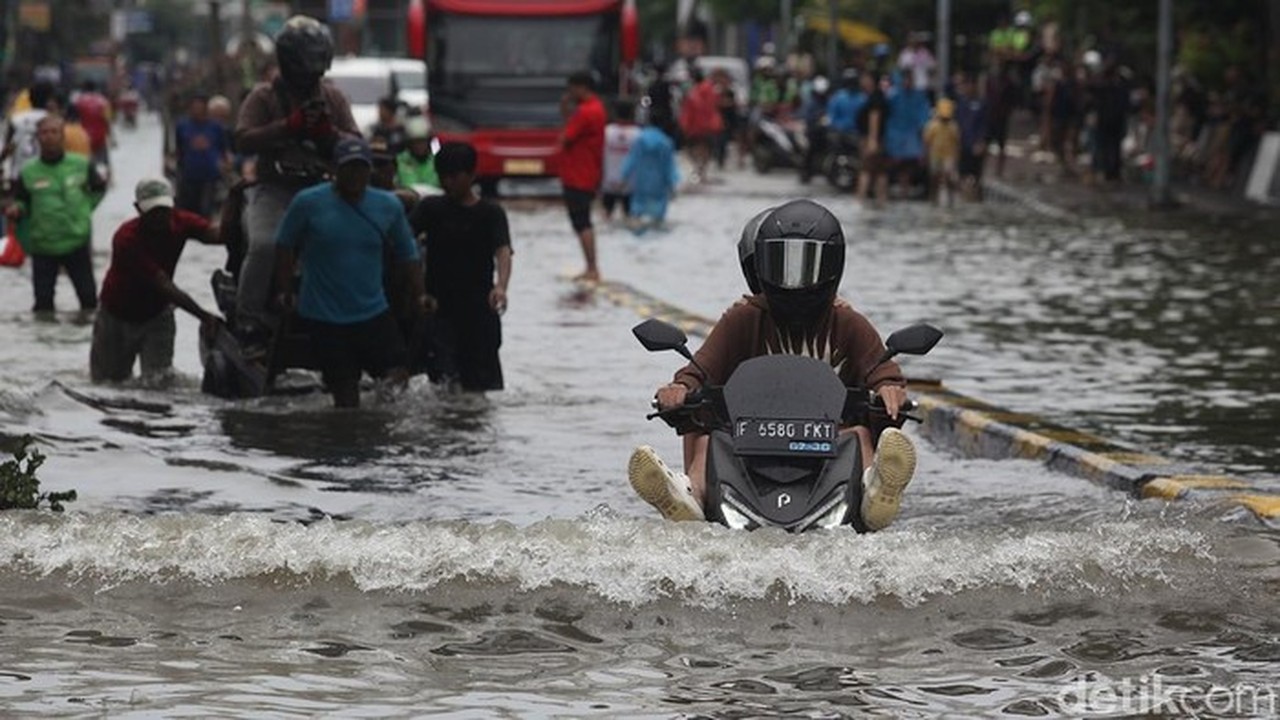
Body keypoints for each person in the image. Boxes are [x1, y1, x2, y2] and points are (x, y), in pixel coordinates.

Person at [627, 199, 916, 530]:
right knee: (707, 442)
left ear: (832, 266)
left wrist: (890, 391)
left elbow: (883, 372)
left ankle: (874, 494)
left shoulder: (849, 323)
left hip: (827, 452)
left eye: (807, 266)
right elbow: (699, 370)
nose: (794, 282)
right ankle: (687, 496)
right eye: (782, 265)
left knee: (861, 435)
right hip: (747, 450)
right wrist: (678, 389)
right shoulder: (742, 319)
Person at [273, 137, 427, 408]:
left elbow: (408, 254)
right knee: (345, 396)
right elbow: (284, 246)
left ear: (370, 172)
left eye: (361, 168)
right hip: (324, 314)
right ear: (334, 169)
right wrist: (285, 290)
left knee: (398, 374)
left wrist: (420, 295)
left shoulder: (388, 206)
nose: (355, 175)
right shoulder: (308, 203)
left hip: (373, 311)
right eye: (348, 168)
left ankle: (379, 426)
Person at [233, 16, 358, 339]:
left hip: (323, 190)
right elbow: (242, 139)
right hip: (274, 189)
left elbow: (356, 144)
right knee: (264, 245)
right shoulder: (263, 97)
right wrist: (288, 126)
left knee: (353, 243)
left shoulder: (333, 98)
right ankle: (248, 315)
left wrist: (327, 134)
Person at [92, 179, 223, 383]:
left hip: (158, 314)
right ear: (138, 209)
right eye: (153, 212)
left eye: (164, 210)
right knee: (109, 384)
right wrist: (204, 316)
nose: (160, 218)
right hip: (117, 316)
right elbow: (162, 284)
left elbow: (218, 235)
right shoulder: (126, 238)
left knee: (159, 381)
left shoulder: (181, 222)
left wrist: (235, 202)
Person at [409, 142, 512, 392]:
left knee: (477, 390)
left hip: (479, 310)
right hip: (440, 308)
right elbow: (406, 247)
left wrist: (501, 287)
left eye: (454, 177)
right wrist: (419, 291)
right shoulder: (431, 209)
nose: (448, 182)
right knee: (445, 385)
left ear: (471, 175)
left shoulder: (490, 213)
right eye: (443, 176)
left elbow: (503, 250)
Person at [4, 115, 107, 312]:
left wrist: (85, 209)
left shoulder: (81, 164)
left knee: (89, 303)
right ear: (37, 138)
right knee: (43, 308)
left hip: (76, 242)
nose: (49, 137)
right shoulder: (28, 171)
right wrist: (16, 209)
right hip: (43, 246)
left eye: (54, 132)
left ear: (62, 136)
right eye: (44, 133)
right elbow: (22, 201)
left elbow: (99, 189)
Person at [558, 71, 605, 282]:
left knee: (582, 222)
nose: (570, 93)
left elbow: (565, 138)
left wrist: (567, 112)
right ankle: (591, 266)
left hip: (579, 174)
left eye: (572, 89)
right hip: (587, 173)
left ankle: (591, 268)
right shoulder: (597, 108)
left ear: (582, 88)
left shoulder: (586, 112)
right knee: (583, 221)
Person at [172, 93, 231, 217]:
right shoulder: (182, 126)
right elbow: (179, 150)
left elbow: (223, 149)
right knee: (188, 210)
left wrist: (225, 167)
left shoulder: (216, 127)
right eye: (194, 107)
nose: (197, 110)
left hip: (210, 176)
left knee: (206, 210)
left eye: (200, 107)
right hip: (189, 175)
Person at [621, 118, 679, 228]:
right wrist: (672, 184)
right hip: (659, 183)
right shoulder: (666, 142)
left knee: (637, 210)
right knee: (658, 217)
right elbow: (669, 166)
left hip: (641, 181)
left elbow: (631, 160)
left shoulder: (639, 140)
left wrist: (624, 176)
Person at [678, 67, 724, 183]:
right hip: (709, 124)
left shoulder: (695, 92)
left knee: (693, 148)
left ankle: (699, 170)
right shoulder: (710, 89)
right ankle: (701, 171)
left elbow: (690, 109)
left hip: (697, 125)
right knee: (705, 148)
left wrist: (685, 123)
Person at [601, 98, 640, 221]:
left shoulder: (606, 132)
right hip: (631, 184)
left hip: (609, 182)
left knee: (607, 216)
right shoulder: (639, 134)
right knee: (630, 217)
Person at [855, 71, 890, 207]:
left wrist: (872, 140)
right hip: (877, 139)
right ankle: (881, 200)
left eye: (865, 78)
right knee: (879, 171)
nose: (862, 81)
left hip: (872, 139)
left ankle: (860, 199)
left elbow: (874, 118)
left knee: (866, 170)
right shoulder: (875, 96)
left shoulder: (875, 98)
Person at [952, 74, 988, 198]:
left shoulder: (981, 104)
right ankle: (964, 197)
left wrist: (981, 141)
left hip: (975, 144)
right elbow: (957, 124)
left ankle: (975, 196)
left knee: (976, 175)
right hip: (963, 144)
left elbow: (984, 125)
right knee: (962, 173)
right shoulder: (960, 104)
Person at [923, 98, 961, 206]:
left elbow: (957, 143)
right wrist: (925, 155)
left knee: (949, 176)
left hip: (949, 155)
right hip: (935, 155)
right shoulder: (932, 126)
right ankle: (933, 199)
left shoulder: (953, 127)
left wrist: (957, 158)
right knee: (934, 177)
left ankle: (951, 199)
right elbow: (927, 142)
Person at [72, 80, 113, 171]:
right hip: (100, 137)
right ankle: (109, 180)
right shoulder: (103, 101)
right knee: (104, 163)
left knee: (83, 161)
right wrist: (112, 137)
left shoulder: (78, 101)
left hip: (83, 137)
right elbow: (107, 120)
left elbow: (74, 120)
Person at [395, 115, 438, 190]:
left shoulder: (437, 161)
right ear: (409, 143)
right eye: (415, 142)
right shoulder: (399, 161)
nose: (419, 146)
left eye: (422, 141)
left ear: (428, 141)